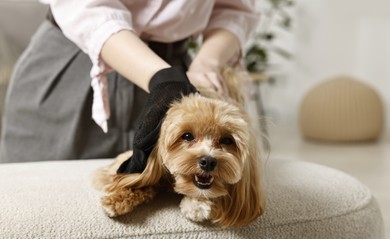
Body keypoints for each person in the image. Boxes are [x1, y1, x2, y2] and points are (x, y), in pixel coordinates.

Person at [0, 1, 259, 170]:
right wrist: (162, 78)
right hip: (72, 64)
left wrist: (208, 64)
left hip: (177, 72)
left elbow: (235, 8)